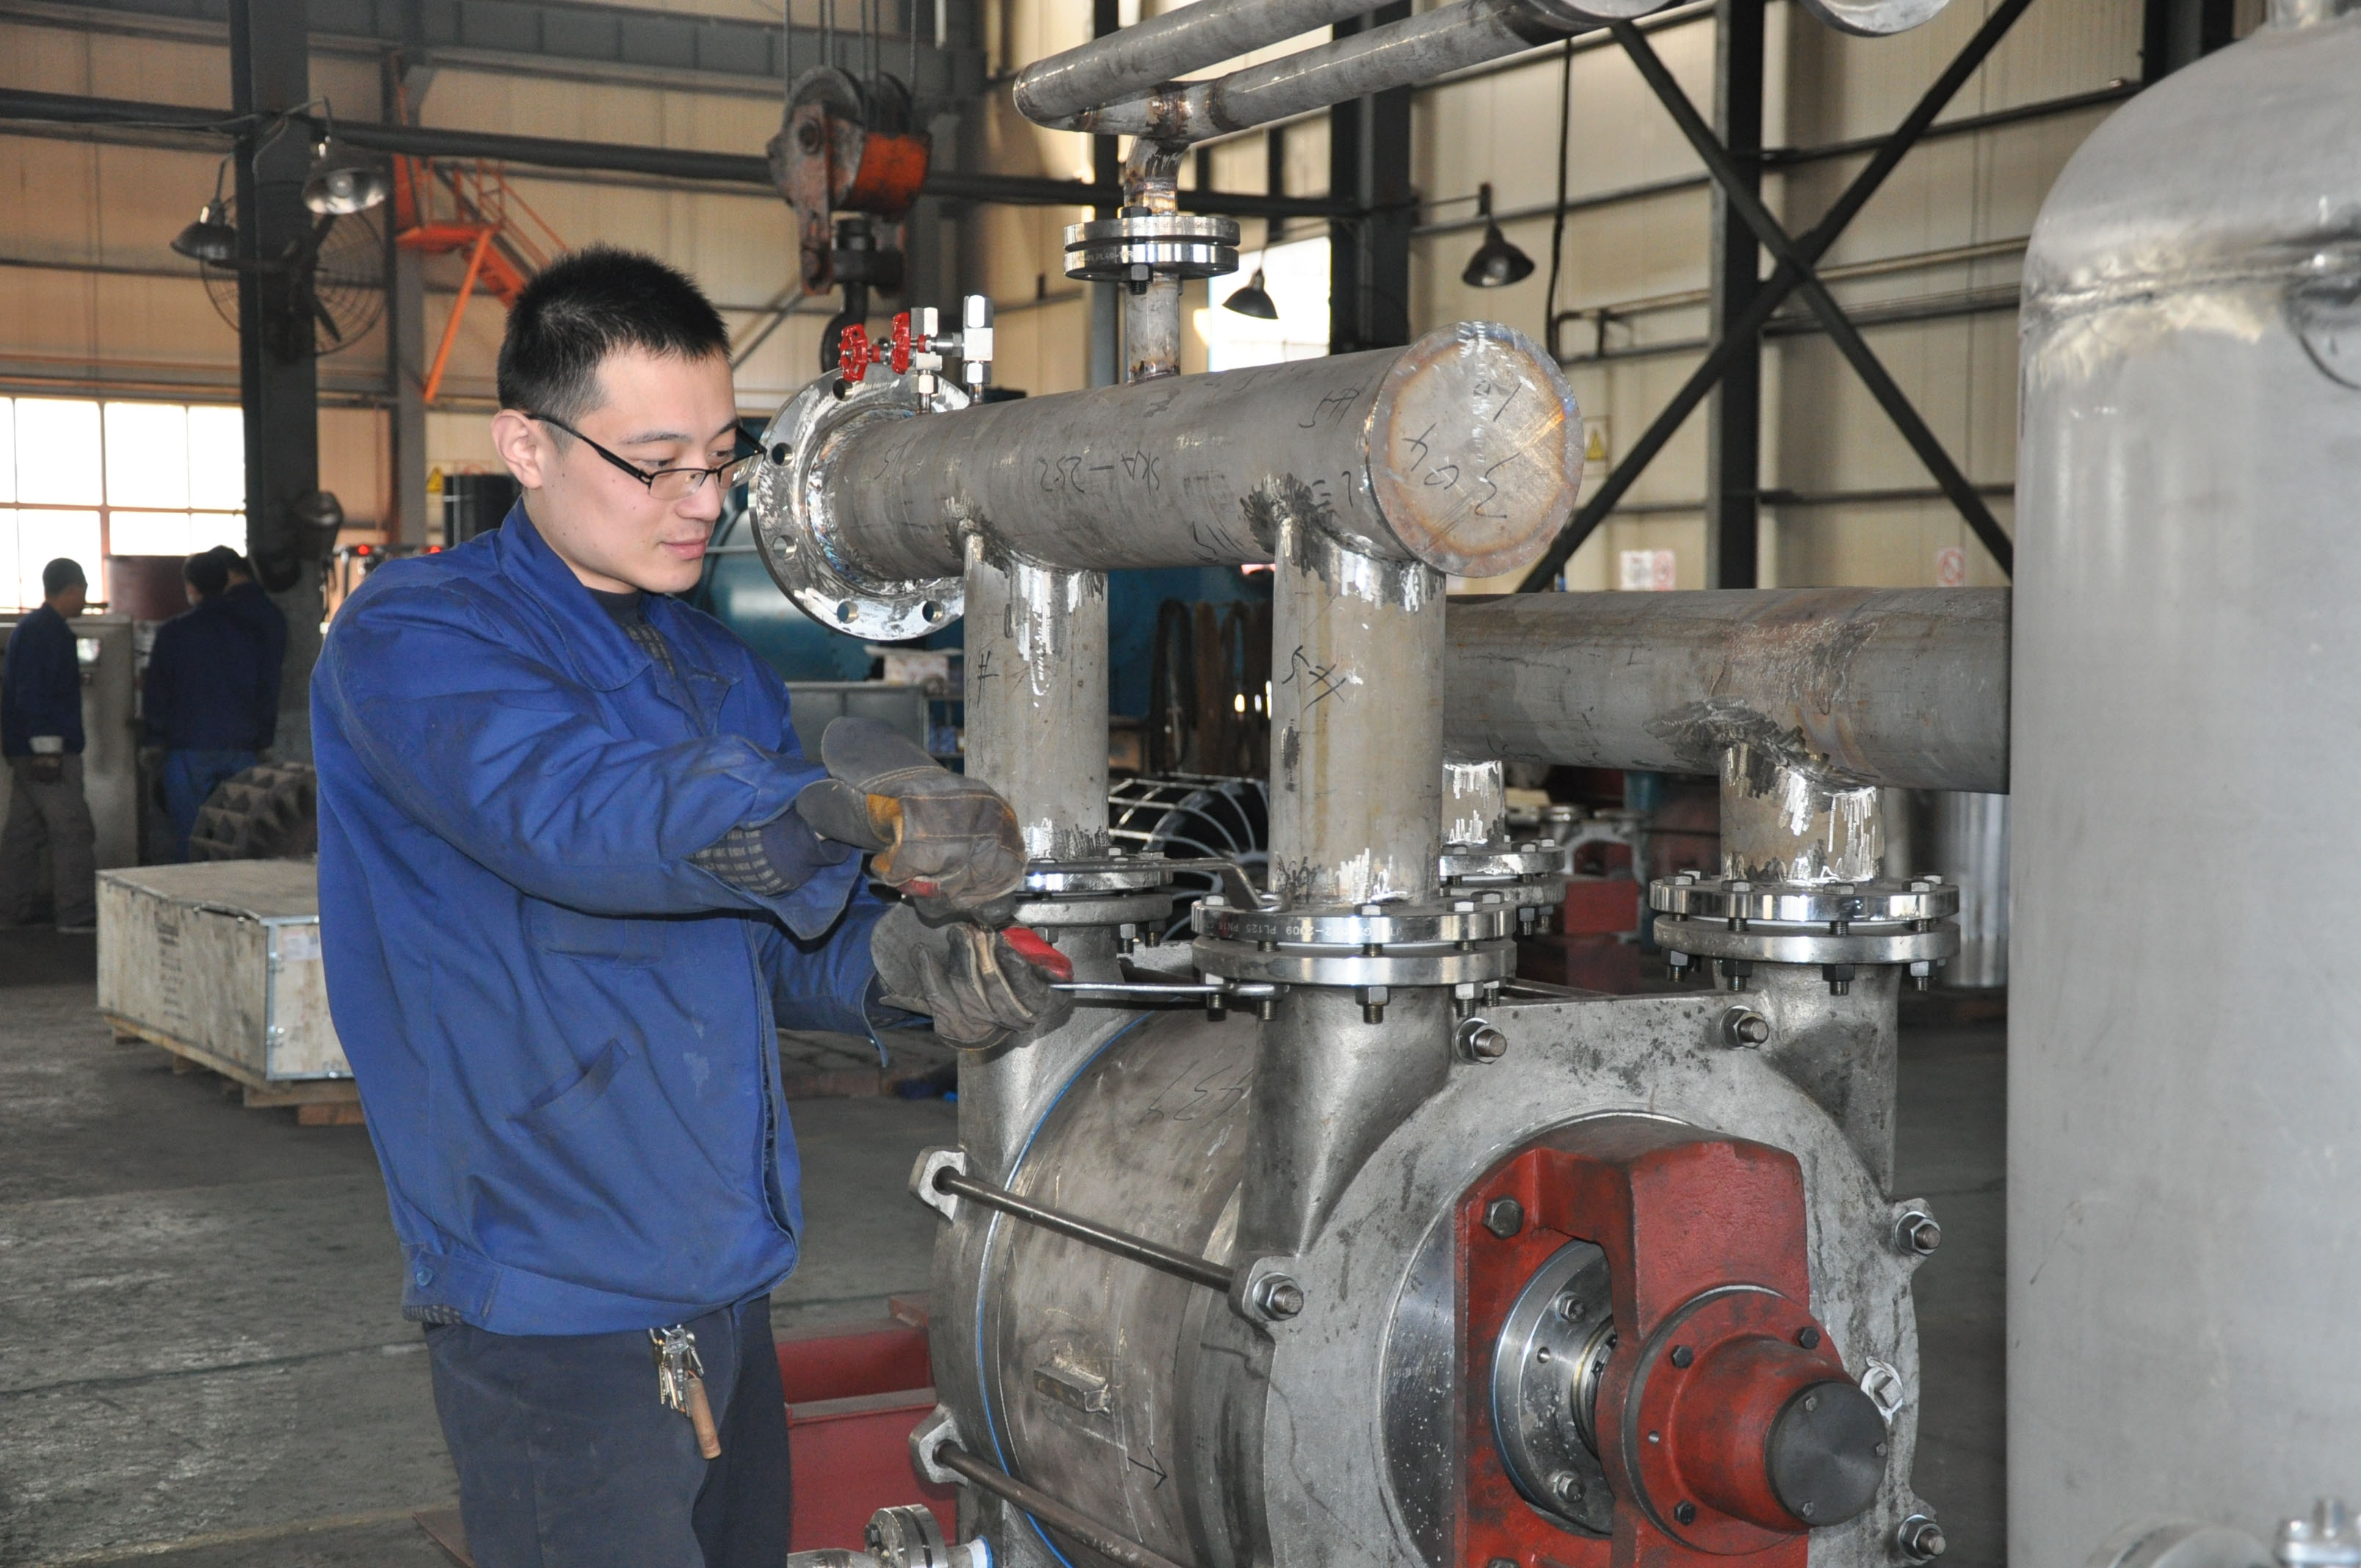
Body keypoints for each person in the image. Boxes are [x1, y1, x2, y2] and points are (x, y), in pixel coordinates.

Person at [311, 246, 1068, 1568]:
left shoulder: (716, 669)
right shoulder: (418, 639)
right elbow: (576, 812)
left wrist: (902, 969)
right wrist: (810, 812)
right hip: (550, 1297)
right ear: (527, 446)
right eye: (656, 463)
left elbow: (756, 946)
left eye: (722, 459)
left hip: (723, 1272)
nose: (703, 502)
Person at [145, 549, 270, 860]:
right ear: (226, 583)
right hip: (241, 747)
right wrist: (263, 739)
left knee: (190, 838)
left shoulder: (174, 633)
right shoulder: (251, 631)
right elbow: (267, 688)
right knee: (240, 838)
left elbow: (157, 692)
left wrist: (154, 741)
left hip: (189, 748)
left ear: (191, 586)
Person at [1, 558, 98, 932]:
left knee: (23, 835)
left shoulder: (32, 629)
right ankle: (76, 914)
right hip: (48, 753)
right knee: (72, 830)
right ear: (73, 588)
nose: (85, 600)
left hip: (26, 749)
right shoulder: (48, 632)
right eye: (83, 591)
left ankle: (9, 911)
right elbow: (34, 694)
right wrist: (47, 751)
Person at [206, 546, 287, 755]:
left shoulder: (224, 612)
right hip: (256, 727)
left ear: (228, 573)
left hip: (215, 729)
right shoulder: (271, 612)